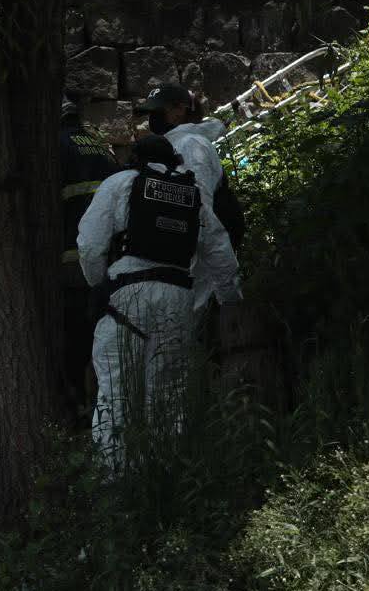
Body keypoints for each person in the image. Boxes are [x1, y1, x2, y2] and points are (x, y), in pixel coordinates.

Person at [77, 135, 242, 467]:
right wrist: (230, 302)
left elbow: (90, 245)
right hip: (178, 298)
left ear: (134, 158)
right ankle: (165, 478)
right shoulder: (192, 193)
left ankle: (117, 484)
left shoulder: (120, 183)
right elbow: (220, 252)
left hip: (125, 296)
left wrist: (99, 285)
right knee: (168, 396)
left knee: (115, 393)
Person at [135, 83, 245, 309]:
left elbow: (202, 217)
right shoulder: (172, 146)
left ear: (179, 110)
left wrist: (229, 295)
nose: (152, 119)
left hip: (203, 266)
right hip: (188, 262)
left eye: (158, 111)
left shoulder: (190, 146)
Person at [59, 97, 119, 413]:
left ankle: (78, 406)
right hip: (105, 260)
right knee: (99, 332)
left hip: (70, 260)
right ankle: (99, 402)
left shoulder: (55, 147)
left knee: (73, 336)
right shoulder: (99, 146)